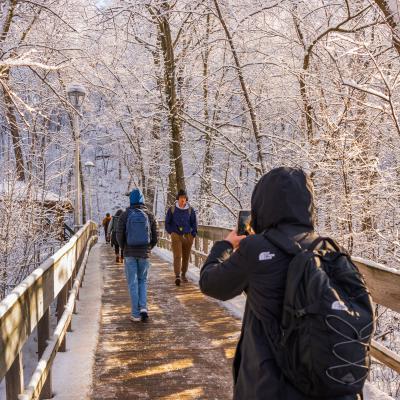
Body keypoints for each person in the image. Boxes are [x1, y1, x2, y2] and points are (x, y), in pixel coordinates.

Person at [199, 167, 362, 400]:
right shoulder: (330, 249)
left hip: (269, 386)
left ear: (262, 204)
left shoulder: (256, 249)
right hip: (326, 383)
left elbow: (210, 283)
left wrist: (225, 245)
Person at [117, 189, 157, 322]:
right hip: (144, 253)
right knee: (142, 281)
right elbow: (155, 236)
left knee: (132, 283)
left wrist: (124, 248)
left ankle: (135, 314)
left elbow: (119, 235)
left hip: (129, 253)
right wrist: (148, 248)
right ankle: (144, 308)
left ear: (131, 200)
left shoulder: (125, 214)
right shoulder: (149, 215)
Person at [165, 189, 197, 286]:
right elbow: (167, 222)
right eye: (181, 198)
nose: (182, 200)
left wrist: (193, 234)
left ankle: (183, 274)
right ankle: (177, 275)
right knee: (177, 255)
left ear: (186, 199)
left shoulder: (190, 210)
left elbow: (194, 223)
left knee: (186, 256)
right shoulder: (172, 209)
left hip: (188, 235)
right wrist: (172, 232)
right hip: (176, 235)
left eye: (184, 198)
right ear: (178, 198)